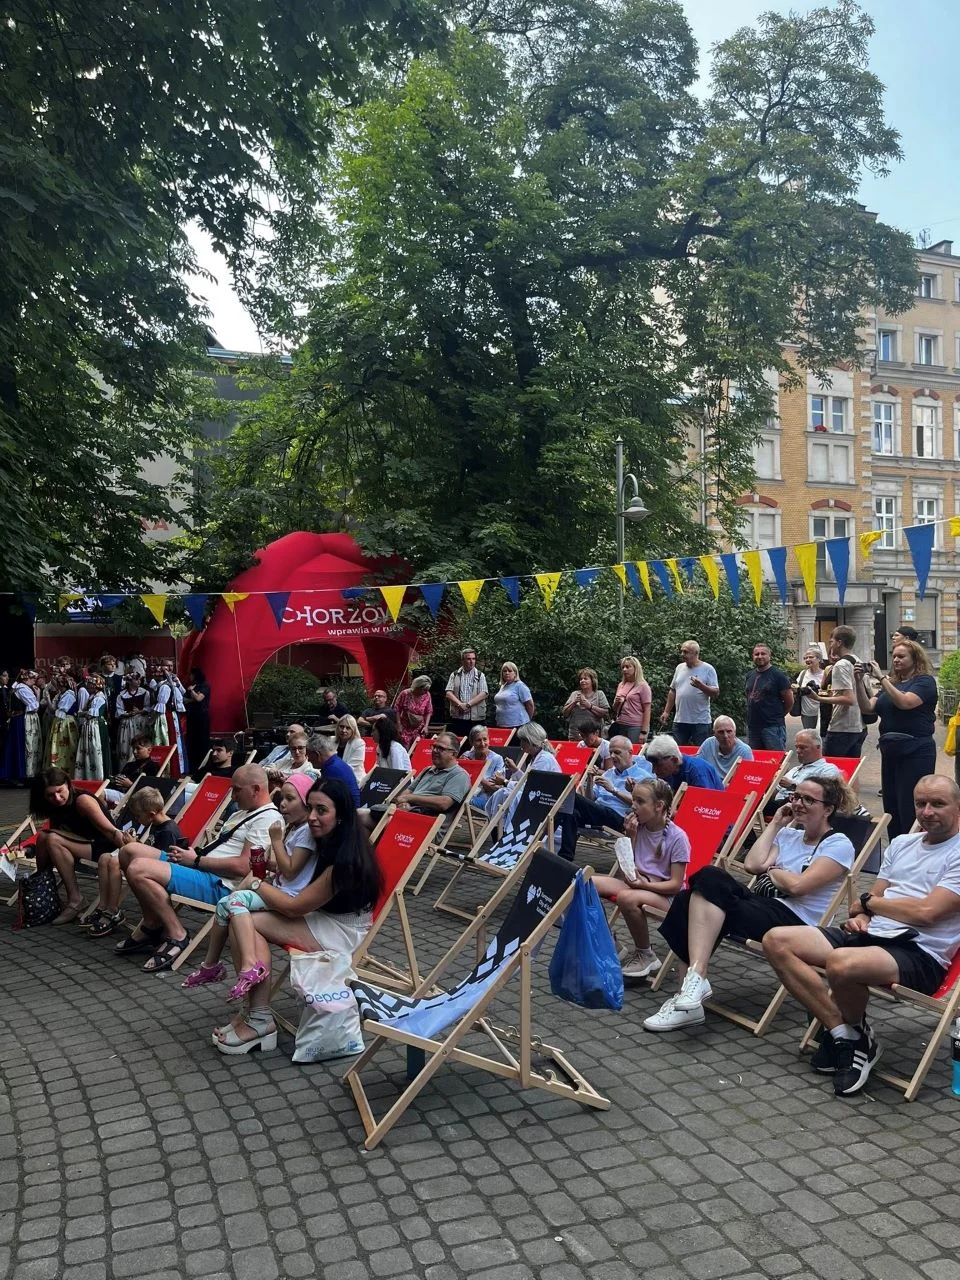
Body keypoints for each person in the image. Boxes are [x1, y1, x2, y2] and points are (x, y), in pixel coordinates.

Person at [763, 774, 960, 1097]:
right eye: (920, 804)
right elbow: (866, 904)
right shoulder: (902, 844)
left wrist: (870, 904)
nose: (927, 812)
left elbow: (927, 913)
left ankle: (848, 1037)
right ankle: (848, 1035)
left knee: (841, 962)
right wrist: (862, 916)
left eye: (937, 804)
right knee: (777, 940)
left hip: (920, 953)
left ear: (958, 807)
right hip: (871, 937)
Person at [644, 773, 856, 1032]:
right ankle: (692, 986)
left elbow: (799, 887)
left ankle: (689, 993)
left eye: (808, 800)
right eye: (796, 796)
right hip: (765, 907)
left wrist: (773, 872)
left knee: (702, 892)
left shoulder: (838, 844)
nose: (798, 803)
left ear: (828, 809)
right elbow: (753, 865)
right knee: (695, 891)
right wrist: (775, 824)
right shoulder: (788, 835)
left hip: (797, 924)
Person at [210, 778, 381, 1055]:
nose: (312, 816)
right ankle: (254, 1013)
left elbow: (294, 907)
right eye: (310, 808)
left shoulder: (345, 861)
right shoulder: (331, 839)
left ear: (340, 815)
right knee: (241, 917)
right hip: (323, 915)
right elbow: (292, 876)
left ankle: (259, 1020)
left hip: (340, 930)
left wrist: (255, 883)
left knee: (247, 920)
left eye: (321, 810)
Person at [117, 764, 280, 972]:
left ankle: (177, 934)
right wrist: (193, 857)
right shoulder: (243, 813)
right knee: (129, 851)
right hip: (203, 869)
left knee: (138, 868)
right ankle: (152, 923)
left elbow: (243, 867)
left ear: (256, 789)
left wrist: (195, 861)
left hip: (222, 885)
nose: (233, 795)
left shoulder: (267, 819)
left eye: (237, 790)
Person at [181, 773, 318, 991]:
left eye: (290, 799)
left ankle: (250, 965)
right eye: (282, 798)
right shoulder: (296, 829)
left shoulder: (307, 833)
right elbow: (285, 866)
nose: (283, 804)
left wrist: (275, 841)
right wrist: (267, 862)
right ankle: (210, 965)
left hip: (290, 897)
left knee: (235, 902)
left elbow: (291, 871)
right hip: (280, 889)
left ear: (306, 803)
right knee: (223, 905)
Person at [592, 778, 691, 979]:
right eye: (633, 800)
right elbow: (626, 870)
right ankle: (609, 941)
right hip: (638, 884)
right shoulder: (639, 828)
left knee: (626, 898)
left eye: (640, 801)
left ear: (659, 806)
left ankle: (646, 954)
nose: (633, 805)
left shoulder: (677, 837)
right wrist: (631, 837)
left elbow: (675, 885)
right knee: (586, 883)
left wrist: (645, 884)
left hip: (667, 896)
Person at [855, 639, 938, 840]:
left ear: (915, 658)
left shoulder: (924, 682)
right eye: (894, 656)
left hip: (916, 751)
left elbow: (905, 702)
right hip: (891, 751)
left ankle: (914, 845)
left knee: (909, 804)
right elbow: (868, 707)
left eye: (901, 656)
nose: (896, 660)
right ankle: (896, 846)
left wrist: (881, 677)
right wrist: (858, 681)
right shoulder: (892, 683)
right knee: (891, 805)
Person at [30, 767, 133, 924]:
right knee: (44, 837)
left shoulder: (82, 801)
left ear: (68, 784)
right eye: (50, 795)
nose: (57, 798)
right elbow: (60, 831)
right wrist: (32, 849)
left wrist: (131, 855)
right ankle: (46, 893)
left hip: (104, 848)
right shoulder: (55, 805)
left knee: (52, 839)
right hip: (83, 844)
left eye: (59, 791)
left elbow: (111, 832)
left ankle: (75, 899)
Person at [88, 787, 186, 937]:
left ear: (151, 814)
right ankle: (103, 906)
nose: (136, 819)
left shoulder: (168, 831)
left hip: (160, 871)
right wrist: (136, 843)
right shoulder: (156, 824)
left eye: (138, 816)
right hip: (147, 863)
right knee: (104, 858)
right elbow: (152, 850)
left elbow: (162, 859)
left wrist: (134, 845)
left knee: (114, 862)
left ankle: (113, 911)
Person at [559, 735, 652, 860]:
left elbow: (644, 805)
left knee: (570, 797)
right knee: (571, 812)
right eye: (611, 752)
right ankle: (565, 858)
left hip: (619, 818)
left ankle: (545, 829)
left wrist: (614, 790)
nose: (612, 756)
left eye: (617, 752)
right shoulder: (608, 774)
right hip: (598, 815)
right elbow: (590, 800)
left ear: (630, 753)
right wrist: (590, 780)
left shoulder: (644, 777)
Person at [394, 732, 471, 817]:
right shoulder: (427, 770)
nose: (434, 751)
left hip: (425, 818)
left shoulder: (459, 775)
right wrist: (405, 803)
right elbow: (406, 793)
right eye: (434, 747)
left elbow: (444, 803)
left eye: (440, 748)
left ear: (454, 754)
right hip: (407, 812)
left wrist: (410, 798)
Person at [817, 626, 865, 759]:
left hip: (842, 726)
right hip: (859, 725)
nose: (830, 645)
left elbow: (848, 699)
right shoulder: (858, 661)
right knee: (850, 768)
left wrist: (817, 698)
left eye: (831, 641)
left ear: (839, 642)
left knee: (831, 768)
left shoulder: (840, 665)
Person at [659, 641, 719, 747]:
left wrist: (701, 686)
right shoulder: (679, 668)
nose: (682, 654)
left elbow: (716, 692)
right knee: (677, 752)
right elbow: (673, 690)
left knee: (702, 751)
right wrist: (666, 711)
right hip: (680, 720)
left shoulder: (708, 669)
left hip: (701, 721)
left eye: (686, 652)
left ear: (696, 653)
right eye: (682, 651)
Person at [769, 729, 839, 807]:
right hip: (779, 805)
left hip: (800, 806)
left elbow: (823, 793)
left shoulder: (828, 769)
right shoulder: (794, 770)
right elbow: (771, 796)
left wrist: (793, 786)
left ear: (818, 747)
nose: (798, 751)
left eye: (802, 747)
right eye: (797, 747)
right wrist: (771, 780)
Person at [744, 643, 793, 751]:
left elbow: (789, 701)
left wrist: (778, 716)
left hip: (773, 727)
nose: (760, 656)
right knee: (756, 758)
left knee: (775, 758)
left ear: (769, 656)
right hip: (753, 728)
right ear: (753, 656)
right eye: (757, 654)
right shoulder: (749, 675)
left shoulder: (778, 676)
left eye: (763, 653)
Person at [645, 734, 724, 793]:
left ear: (674, 760)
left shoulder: (697, 771)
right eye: (653, 765)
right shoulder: (668, 772)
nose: (653, 770)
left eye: (658, 765)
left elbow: (704, 805)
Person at [152, 659, 189, 777]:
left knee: (172, 739)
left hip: (169, 715)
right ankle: (171, 768)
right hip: (166, 715)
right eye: (167, 666)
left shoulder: (169, 684)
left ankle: (175, 768)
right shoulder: (164, 685)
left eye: (171, 666)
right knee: (168, 739)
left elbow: (182, 693)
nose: (170, 668)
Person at [305, 734, 361, 806]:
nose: (308, 760)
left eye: (309, 755)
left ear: (317, 754)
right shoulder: (336, 763)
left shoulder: (332, 770)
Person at [104, 734, 160, 805]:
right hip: (123, 794)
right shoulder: (129, 765)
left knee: (101, 793)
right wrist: (116, 780)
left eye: (138, 748)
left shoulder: (152, 767)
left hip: (137, 799)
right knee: (98, 792)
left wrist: (130, 785)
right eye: (133, 748)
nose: (134, 752)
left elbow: (150, 791)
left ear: (149, 750)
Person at [445, 648, 489, 739]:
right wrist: (460, 704)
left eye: (473, 659)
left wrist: (468, 705)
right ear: (462, 660)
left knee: (476, 742)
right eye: (468, 659)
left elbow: (484, 693)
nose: (471, 661)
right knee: (458, 742)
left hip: (475, 718)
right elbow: (448, 693)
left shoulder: (480, 675)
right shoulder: (455, 674)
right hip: (458, 717)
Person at [75, 673, 111, 781]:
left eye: (90, 684)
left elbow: (91, 714)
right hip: (90, 725)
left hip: (96, 726)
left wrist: (81, 713)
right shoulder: (92, 697)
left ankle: (98, 776)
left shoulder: (99, 697)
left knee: (96, 749)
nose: (88, 686)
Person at [609, 656, 651, 745]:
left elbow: (647, 709)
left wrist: (643, 731)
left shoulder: (643, 686)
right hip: (620, 724)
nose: (624, 670)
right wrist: (617, 702)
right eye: (623, 667)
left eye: (628, 667)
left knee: (633, 750)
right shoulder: (621, 685)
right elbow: (615, 709)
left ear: (636, 668)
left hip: (635, 726)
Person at [461, 725, 504, 812]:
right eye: (478, 740)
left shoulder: (497, 759)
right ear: (471, 742)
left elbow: (496, 788)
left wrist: (476, 775)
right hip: (465, 793)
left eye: (485, 739)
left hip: (486, 799)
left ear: (489, 740)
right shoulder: (466, 755)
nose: (483, 744)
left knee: (458, 802)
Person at [115, 671, 153, 766]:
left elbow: (148, 707)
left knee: (142, 743)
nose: (139, 681)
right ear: (129, 681)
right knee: (127, 745)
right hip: (127, 723)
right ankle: (127, 766)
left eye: (139, 679)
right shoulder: (122, 695)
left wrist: (139, 711)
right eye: (136, 679)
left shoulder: (144, 692)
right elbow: (119, 710)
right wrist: (127, 714)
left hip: (140, 721)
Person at [562, 669, 610, 741]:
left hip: (594, 738)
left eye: (585, 679)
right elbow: (564, 713)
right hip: (575, 736)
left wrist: (590, 706)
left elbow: (605, 713)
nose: (582, 681)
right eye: (581, 679)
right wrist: (574, 703)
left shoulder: (599, 694)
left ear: (592, 681)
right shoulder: (574, 694)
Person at [44, 674, 79, 774]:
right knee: (56, 745)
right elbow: (53, 710)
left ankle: (65, 770)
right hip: (59, 721)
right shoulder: (60, 694)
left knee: (65, 747)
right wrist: (48, 699)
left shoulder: (69, 695)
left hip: (66, 723)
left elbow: (61, 710)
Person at [394, 674, 433, 748]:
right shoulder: (405, 694)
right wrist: (399, 725)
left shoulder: (427, 695)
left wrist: (426, 726)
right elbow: (397, 709)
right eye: (424, 690)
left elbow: (429, 711)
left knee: (418, 748)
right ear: (418, 687)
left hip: (419, 728)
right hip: (405, 726)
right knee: (404, 747)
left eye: (427, 690)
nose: (425, 692)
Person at [185, 666, 211, 770]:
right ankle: (192, 766)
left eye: (191, 675)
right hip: (191, 717)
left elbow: (198, 698)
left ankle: (203, 766)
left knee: (202, 741)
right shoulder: (191, 686)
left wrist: (192, 691)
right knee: (192, 742)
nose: (190, 677)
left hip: (202, 718)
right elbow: (185, 700)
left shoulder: (204, 686)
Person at [493, 662, 535, 729]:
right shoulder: (503, 686)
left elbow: (530, 705)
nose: (507, 673)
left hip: (518, 725)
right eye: (504, 671)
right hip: (502, 724)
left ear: (515, 673)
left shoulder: (520, 685)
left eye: (510, 671)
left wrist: (527, 720)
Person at [793, 648, 825, 731]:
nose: (807, 660)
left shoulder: (825, 674)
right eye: (805, 658)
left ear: (819, 659)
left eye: (811, 657)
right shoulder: (803, 673)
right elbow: (797, 689)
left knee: (822, 736)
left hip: (822, 712)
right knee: (809, 735)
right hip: (807, 713)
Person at [336, 715, 366, 784]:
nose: (344, 730)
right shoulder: (331, 741)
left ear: (353, 730)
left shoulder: (359, 743)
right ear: (337, 727)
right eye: (341, 726)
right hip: (333, 780)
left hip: (354, 782)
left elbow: (349, 768)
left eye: (348, 728)